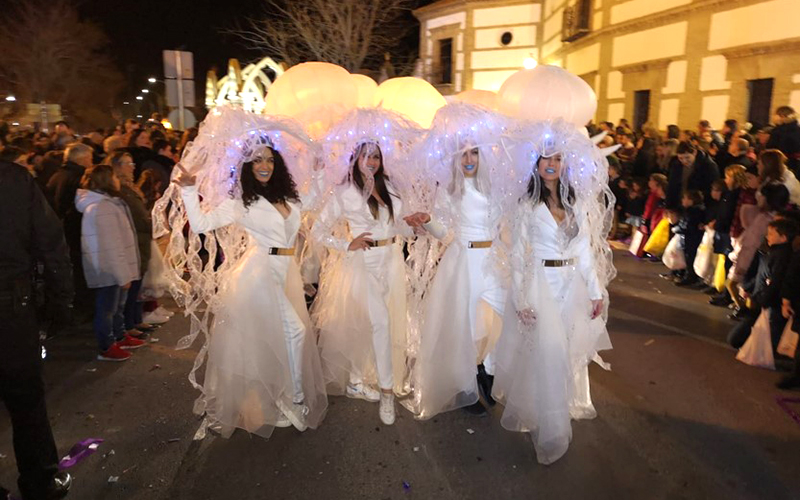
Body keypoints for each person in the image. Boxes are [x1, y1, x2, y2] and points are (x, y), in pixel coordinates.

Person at [174, 138, 328, 436]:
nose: (264, 166)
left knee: (277, 335)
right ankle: (294, 398)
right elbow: (202, 223)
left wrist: (320, 168)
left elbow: (316, 199)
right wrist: (189, 189)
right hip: (258, 273)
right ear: (247, 165)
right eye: (257, 160)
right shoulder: (240, 201)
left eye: (269, 160)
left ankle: (277, 393)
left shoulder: (289, 197)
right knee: (295, 331)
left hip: (285, 271)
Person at [493, 121, 614, 465]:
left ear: (564, 163)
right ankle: (551, 430)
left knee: (567, 354)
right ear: (535, 163)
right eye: (545, 158)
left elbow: (586, 252)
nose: (551, 164)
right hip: (541, 286)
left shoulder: (576, 202)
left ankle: (559, 406)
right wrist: (521, 298)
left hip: (572, 286)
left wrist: (595, 292)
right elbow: (518, 256)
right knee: (548, 352)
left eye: (557, 158)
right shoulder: (525, 206)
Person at [401, 103, 508, 419]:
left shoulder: (496, 188)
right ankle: (469, 384)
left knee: (502, 318)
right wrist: (428, 219)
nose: (469, 159)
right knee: (466, 326)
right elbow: (444, 231)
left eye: (474, 152)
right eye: (463, 153)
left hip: (493, 262)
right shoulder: (450, 190)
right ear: (455, 158)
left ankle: (488, 369)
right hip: (463, 262)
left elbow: (505, 228)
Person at [312, 109, 419, 426]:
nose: (371, 161)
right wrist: (347, 243)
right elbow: (318, 231)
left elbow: (399, 227)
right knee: (379, 323)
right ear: (354, 158)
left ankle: (357, 380)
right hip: (361, 264)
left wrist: (415, 226)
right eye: (365, 155)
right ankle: (387, 391)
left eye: (376, 156)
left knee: (373, 322)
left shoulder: (392, 189)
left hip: (391, 262)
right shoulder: (343, 192)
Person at [0, 159, 73, 499]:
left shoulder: (14, 177)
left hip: (14, 303)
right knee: (26, 400)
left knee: (27, 399)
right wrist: (60, 304)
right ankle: (40, 480)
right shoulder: (12, 177)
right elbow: (50, 241)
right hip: (12, 309)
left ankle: (41, 478)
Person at [75, 165, 144, 361]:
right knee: (107, 309)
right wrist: (122, 275)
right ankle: (107, 345)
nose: (117, 179)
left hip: (115, 266)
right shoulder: (101, 207)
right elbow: (111, 245)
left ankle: (119, 335)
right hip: (109, 267)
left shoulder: (109, 203)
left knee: (116, 307)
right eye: (114, 175)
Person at [107, 151, 155, 337]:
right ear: (117, 167)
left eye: (133, 164)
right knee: (132, 284)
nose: (132, 168)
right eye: (128, 164)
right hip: (135, 240)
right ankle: (127, 324)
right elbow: (137, 217)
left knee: (139, 283)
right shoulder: (122, 191)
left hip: (141, 241)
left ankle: (135, 320)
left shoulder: (130, 188)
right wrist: (151, 223)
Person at [727, 218, 796, 349]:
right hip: (762, 299)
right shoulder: (771, 251)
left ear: (783, 238)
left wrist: (761, 301)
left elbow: (775, 282)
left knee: (746, 338)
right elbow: (761, 274)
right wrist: (749, 287)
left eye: (771, 234)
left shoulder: (782, 256)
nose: (767, 236)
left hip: (769, 304)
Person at [45, 143, 95, 318]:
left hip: (63, 232)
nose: (91, 161)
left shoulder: (57, 176)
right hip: (77, 231)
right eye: (89, 158)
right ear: (81, 158)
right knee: (82, 271)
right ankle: (84, 307)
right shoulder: (80, 178)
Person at [665, 141, 720, 209]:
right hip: (679, 204)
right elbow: (672, 186)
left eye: (687, 157)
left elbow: (711, 188)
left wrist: (694, 199)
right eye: (681, 158)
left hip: (698, 207)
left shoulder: (708, 166)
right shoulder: (677, 165)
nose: (684, 161)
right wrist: (668, 207)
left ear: (694, 152)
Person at [767, 106, 800, 175]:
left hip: (779, 163)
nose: (773, 117)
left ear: (782, 116)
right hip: (795, 165)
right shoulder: (797, 129)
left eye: (775, 115)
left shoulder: (779, 131)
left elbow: (772, 147)